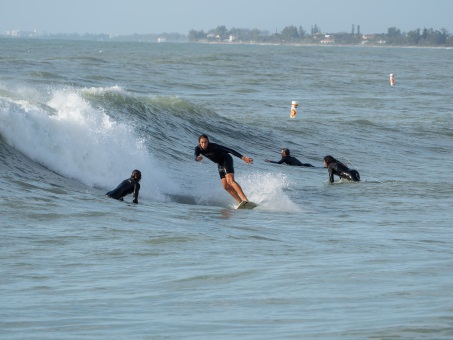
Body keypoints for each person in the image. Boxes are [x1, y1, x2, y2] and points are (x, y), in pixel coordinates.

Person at [194, 134, 253, 204]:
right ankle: (240, 202)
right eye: (202, 142)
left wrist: (243, 158)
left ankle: (245, 199)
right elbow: (195, 156)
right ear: (199, 143)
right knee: (226, 186)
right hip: (220, 163)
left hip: (226, 159)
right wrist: (197, 159)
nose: (204, 144)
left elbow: (229, 150)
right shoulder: (197, 148)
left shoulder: (214, 146)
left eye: (206, 142)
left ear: (208, 142)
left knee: (230, 181)